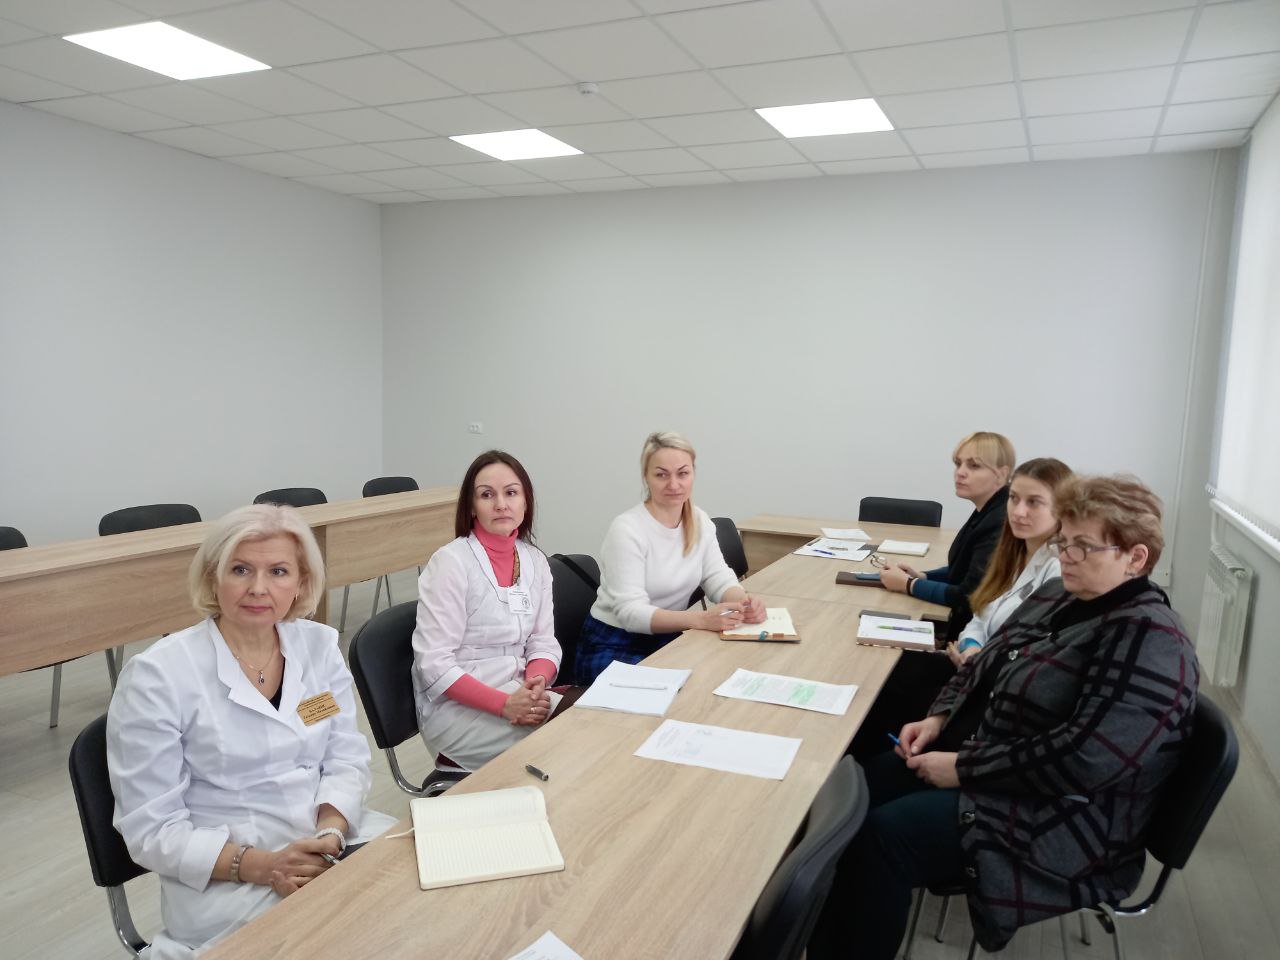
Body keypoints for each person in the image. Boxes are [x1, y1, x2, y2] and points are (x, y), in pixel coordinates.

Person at [814, 475, 1199, 959]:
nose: (1066, 556)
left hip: (1065, 816)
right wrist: (939, 718)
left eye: (1084, 547)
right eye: (1064, 542)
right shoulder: (1061, 594)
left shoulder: (1152, 640)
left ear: (1136, 558)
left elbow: (1086, 760)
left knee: (882, 839)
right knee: (848, 795)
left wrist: (964, 768)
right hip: (997, 766)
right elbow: (986, 663)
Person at [106, 505, 395, 960]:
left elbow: (345, 756)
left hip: (325, 844)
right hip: (229, 876)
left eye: (278, 571)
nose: (258, 588)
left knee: (419, 892)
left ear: (301, 582)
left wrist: (331, 832)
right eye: (240, 570)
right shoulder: (158, 676)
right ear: (212, 578)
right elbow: (152, 830)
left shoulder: (317, 646)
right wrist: (264, 865)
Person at [851, 456, 1071, 757]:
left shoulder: (1059, 570)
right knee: (885, 668)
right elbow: (980, 616)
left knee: (888, 680)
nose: (1019, 511)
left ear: (1062, 509)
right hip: (970, 665)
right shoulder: (1014, 553)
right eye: (1014, 499)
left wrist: (978, 660)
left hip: (988, 688)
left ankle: (871, 762)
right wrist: (971, 647)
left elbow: (1029, 653)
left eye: (1034, 502)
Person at [412, 450, 563, 772]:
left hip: (520, 692)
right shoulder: (451, 563)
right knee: (571, 740)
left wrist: (536, 681)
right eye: (486, 495)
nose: (501, 504)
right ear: (471, 506)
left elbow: (543, 641)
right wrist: (504, 704)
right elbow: (434, 664)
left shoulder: (535, 560)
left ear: (526, 501)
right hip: (459, 711)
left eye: (511, 493)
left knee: (593, 719)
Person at [576, 431, 766, 685]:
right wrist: (700, 620)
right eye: (662, 474)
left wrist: (743, 603)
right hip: (613, 643)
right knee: (685, 691)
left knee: (716, 678)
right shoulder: (627, 529)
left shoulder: (699, 520)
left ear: (693, 473)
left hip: (666, 635)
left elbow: (717, 577)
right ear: (646, 477)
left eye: (682, 473)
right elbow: (631, 613)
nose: (674, 484)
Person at [879, 431, 1016, 641]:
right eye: (958, 464)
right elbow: (963, 569)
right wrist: (923, 577)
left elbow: (969, 596)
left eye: (974, 466)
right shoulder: (988, 509)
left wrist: (909, 585)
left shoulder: (999, 521)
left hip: (970, 639)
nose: (960, 472)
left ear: (1001, 474)